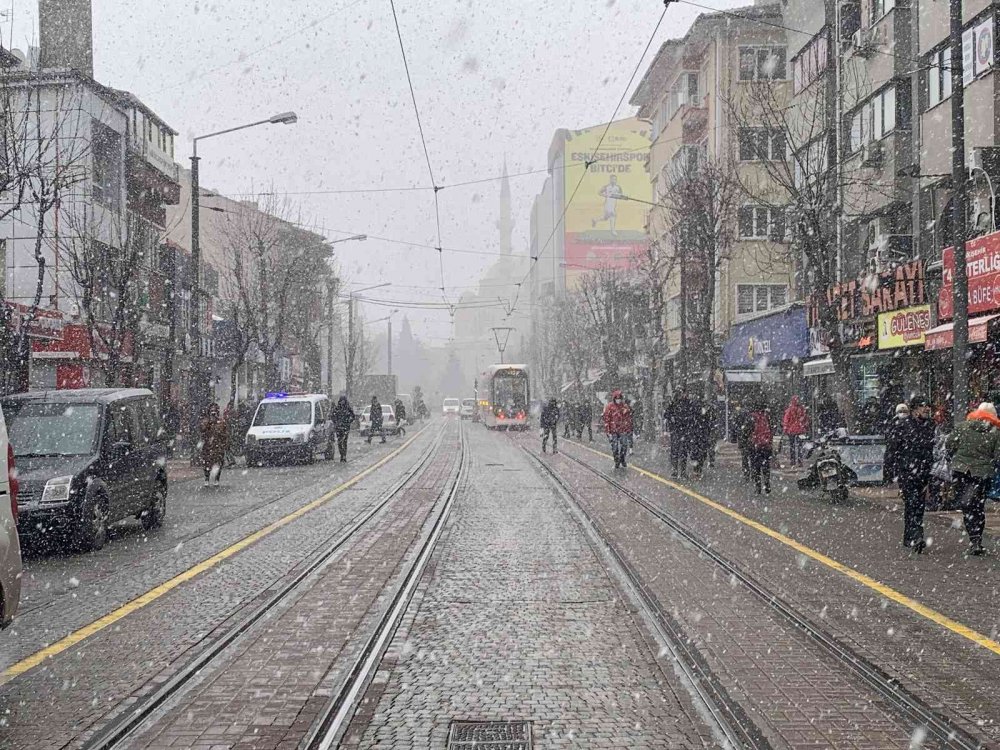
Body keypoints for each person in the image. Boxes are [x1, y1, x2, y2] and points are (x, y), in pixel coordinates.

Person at [946, 402, 1000, 556]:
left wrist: (958, 458)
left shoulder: (962, 427)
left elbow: (950, 444)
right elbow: (998, 455)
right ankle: (977, 540)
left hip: (961, 471)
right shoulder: (995, 432)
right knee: (978, 506)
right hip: (981, 474)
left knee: (968, 506)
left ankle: (973, 537)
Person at [896, 396, 936, 552]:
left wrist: (929, 470)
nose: (926, 409)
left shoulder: (930, 425)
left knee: (918, 506)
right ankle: (916, 536)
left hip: (923, 472)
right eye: (922, 406)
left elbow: (931, 449)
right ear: (914, 409)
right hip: (907, 472)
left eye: (928, 406)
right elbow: (895, 450)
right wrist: (893, 472)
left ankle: (909, 537)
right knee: (912, 504)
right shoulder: (903, 425)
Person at [665, 391, 695, 479]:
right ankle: (676, 471)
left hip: (683, 431)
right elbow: (666, 414)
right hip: (677, 431)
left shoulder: (687, 403)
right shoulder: (674, 404)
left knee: (682, 452)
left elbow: (692, 415)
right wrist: (672, 418)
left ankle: (682, 472)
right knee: (676, 451)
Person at [199, 403, 228, 485]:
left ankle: (217, 479)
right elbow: (202, 432)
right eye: (211, 411)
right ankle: (207, 478)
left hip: (218, 447)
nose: (213, 413)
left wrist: (224, 444)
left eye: (215, 411)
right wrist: (208, 424)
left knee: (218, 463)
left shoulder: (221, 422)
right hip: (207, 447)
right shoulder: (205, 422)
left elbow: (225, 434)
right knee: (207, 463)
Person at [603, 390, 633, 469]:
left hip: (622, 429)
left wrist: (628, 428)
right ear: (614, 399)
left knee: (624, 445)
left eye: (619, 399)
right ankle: (616, 460)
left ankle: (622, 459)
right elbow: (607, 419)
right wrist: (608, 430)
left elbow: (628, 418)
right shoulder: (609, 406)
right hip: (613, 430)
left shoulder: (625, 406)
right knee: (615, 447)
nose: (618, 400)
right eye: (617, 399)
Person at [748, 402, 773, 494]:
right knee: (766, 466)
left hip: (755, 446)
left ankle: (758, 487)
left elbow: (746, 431)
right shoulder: (766, 417)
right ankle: (767, 485)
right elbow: (771, 429)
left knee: (756, 467)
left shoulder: (752, 418)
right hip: (766, 445)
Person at [881, 403, 909, 484]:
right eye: (901, 411)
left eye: (904, 411)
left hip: (904, 451)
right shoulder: (893, 423)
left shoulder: (910, 423)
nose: (903, 414)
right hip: (896, 450)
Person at [782, 396, 809, 467]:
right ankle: (799, 461)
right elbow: (805, 419)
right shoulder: (801, 409)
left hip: (792, 431)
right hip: (799, 430)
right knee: (799, 446)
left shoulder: (790, 409)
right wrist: (805, 426)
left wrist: (785, 428)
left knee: (792, 446)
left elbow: (786, 419)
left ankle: (793, 461)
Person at [332, 395, 356, 462]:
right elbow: (332, 416)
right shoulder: (337, 408)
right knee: (339, 442)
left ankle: (344, 455)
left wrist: (349, 421)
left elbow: (353, 416)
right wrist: (336, 423)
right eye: (341, 401)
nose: (342, 402)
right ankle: (342, 455)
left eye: (343, 401)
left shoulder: (348, 408)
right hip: (339, 428)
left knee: (344, 442)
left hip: (346, 427)